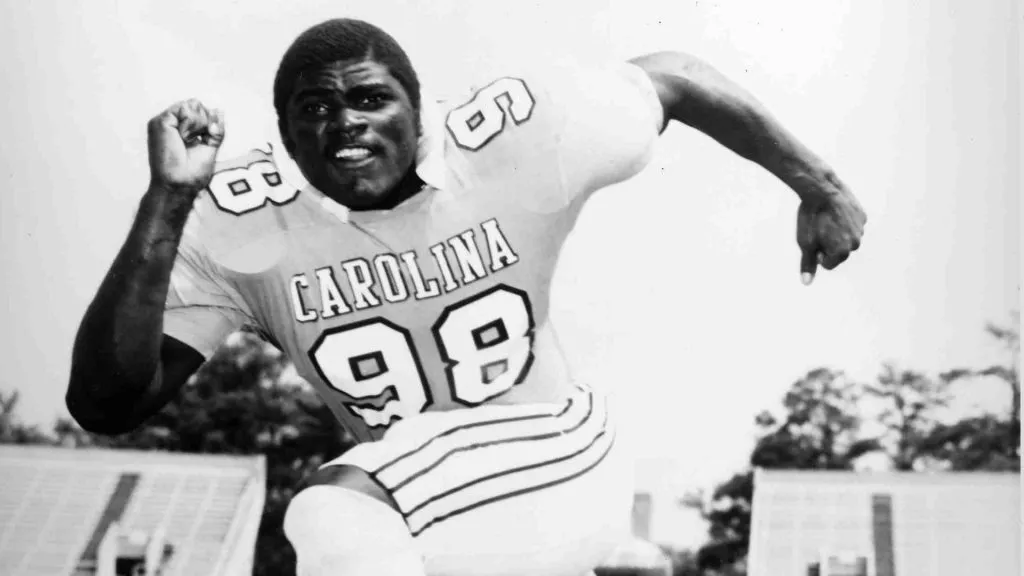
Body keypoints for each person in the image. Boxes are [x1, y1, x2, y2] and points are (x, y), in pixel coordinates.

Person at [66, 17, 865, 576]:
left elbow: (670, 78)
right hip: (442, 521)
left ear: (420, 113)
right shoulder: (242, 226)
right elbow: (106, 403)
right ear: (284, 135)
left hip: (559, 449)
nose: (345, 123)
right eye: (315, 109)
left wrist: (820, 186)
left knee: (333, 512)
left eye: (370, 99)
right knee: (355, 523)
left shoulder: (511, 143)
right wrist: (168, 200)